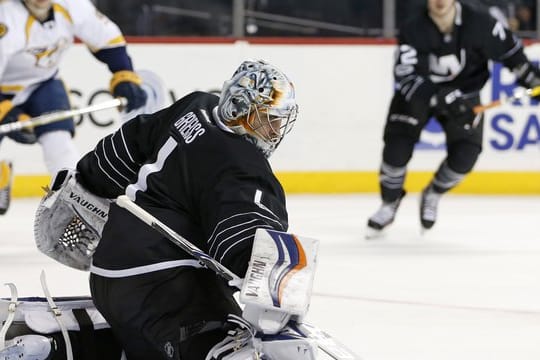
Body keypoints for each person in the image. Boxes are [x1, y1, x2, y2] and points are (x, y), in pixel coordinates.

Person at [70, 60, 299, 359]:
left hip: (108, 274)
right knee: (240, 350)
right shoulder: (242, 164)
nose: (273, 130)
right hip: (162, 286)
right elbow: (242, 242)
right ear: (239, 108)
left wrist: (87, 176)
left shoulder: (195, 106)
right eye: (266, 119)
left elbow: (124, 147)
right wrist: (277, 288)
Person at [366, 0, 540, 235]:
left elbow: (512, 54)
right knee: (395, 151)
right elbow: (405, 76)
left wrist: (532, 80)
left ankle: (433, 193)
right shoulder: (413, 26)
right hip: (420, 96)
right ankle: (389, 203)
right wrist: (439, 97)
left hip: (464, 96)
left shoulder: (481, 22)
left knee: (466, 155)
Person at [0, 0, 147, 215]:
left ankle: (79, 207)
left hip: (43, 84)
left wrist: (124, 74)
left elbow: (107, 39)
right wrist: (5, 112)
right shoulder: (6, 17)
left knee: (59, 143)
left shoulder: (71, 5)